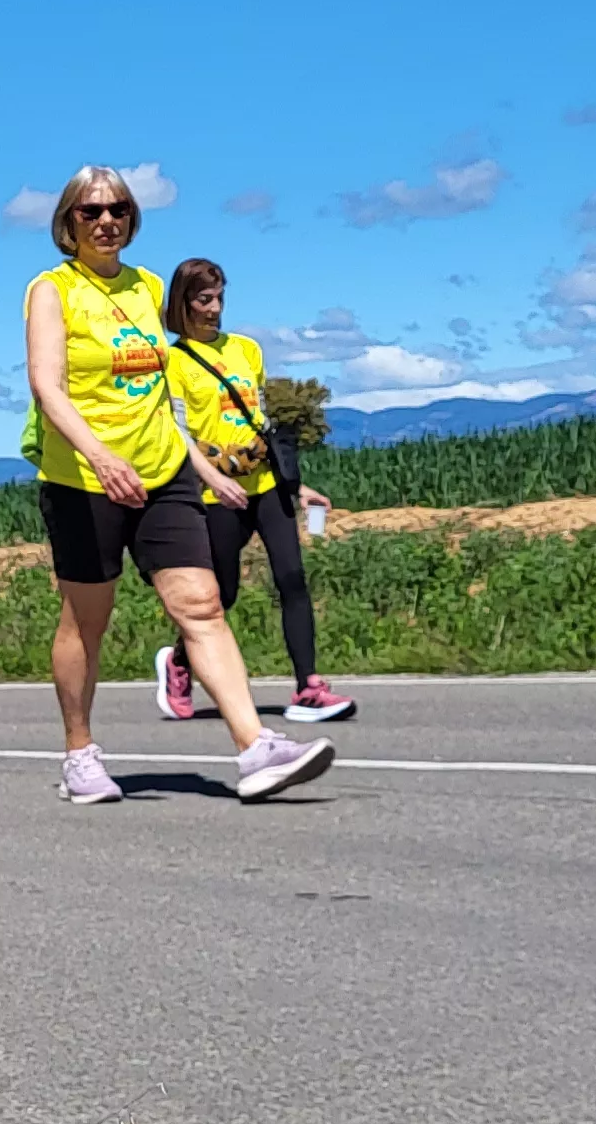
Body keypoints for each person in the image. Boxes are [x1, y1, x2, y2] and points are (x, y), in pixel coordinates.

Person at [22, 165, 335, 805]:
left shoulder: (145, 289)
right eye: (91, 212)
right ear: (68, 223)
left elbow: (162, 397)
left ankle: (254, 748)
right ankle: (80, 754)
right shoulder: (52, 290)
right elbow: (46, 385)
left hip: (163, 471)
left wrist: (204, 467)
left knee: (202, 604)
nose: (106, 221)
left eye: (118, 210)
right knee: (88, 621)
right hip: (84, 479)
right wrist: (101, 456)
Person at [158, 258, 353, 722]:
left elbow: (259, 420)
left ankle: (309, 685)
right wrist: (215, 479)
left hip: (265, 486)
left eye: (220, 297)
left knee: (292, 578)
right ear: (183, 304)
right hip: (215, 495)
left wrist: (296, 484)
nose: (215, 308)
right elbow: (176, 432)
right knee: (221, 596)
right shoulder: (174, 362)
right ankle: (179, 663)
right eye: (204, 299)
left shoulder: (246, 350)